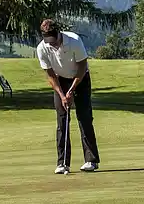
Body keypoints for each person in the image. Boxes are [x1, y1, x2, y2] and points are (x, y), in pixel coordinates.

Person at [36, 19, 101, 174]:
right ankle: (62, 163)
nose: (53, 44)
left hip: (80, 79)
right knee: (62, 119)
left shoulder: (74, 41)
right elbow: (50, 75)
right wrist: (61, 94)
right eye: (49, 41)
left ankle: (91, 160)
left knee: (84, 117)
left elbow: (82, 68)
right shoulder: (42, 48)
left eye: (54, 40)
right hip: (60, 79)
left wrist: (71, 90)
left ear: (59, 33)